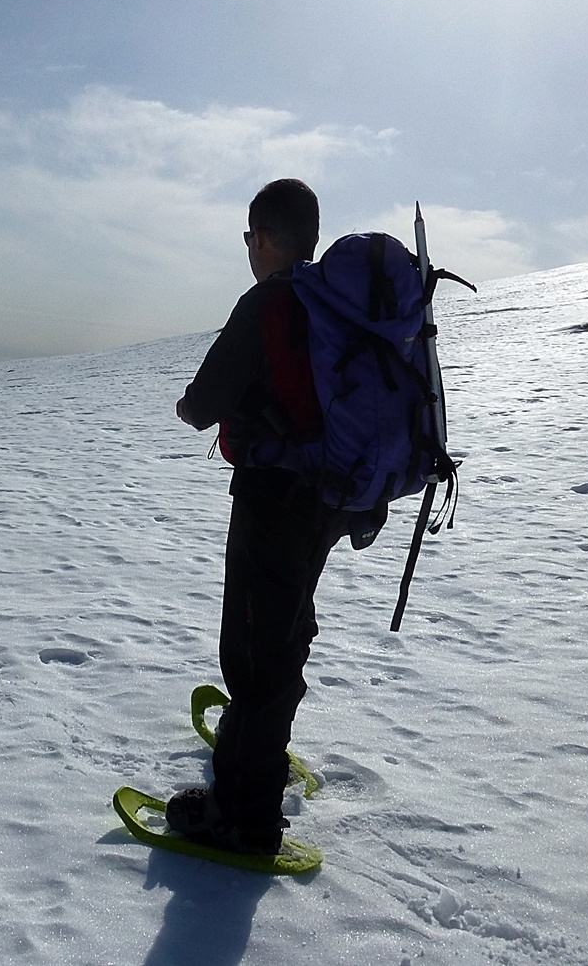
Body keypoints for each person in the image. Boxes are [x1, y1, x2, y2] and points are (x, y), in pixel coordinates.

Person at [167, 178, 363, 854]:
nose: (249, 248)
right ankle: (259, 755)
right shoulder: (335, 300)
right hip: (329, 498)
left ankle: (243, 816)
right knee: (285, 631)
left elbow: (204, 400)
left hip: (274, 498)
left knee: (254, 652)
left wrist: (191, 408)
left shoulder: (269, 302)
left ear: (268, 237)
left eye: (251, 236)